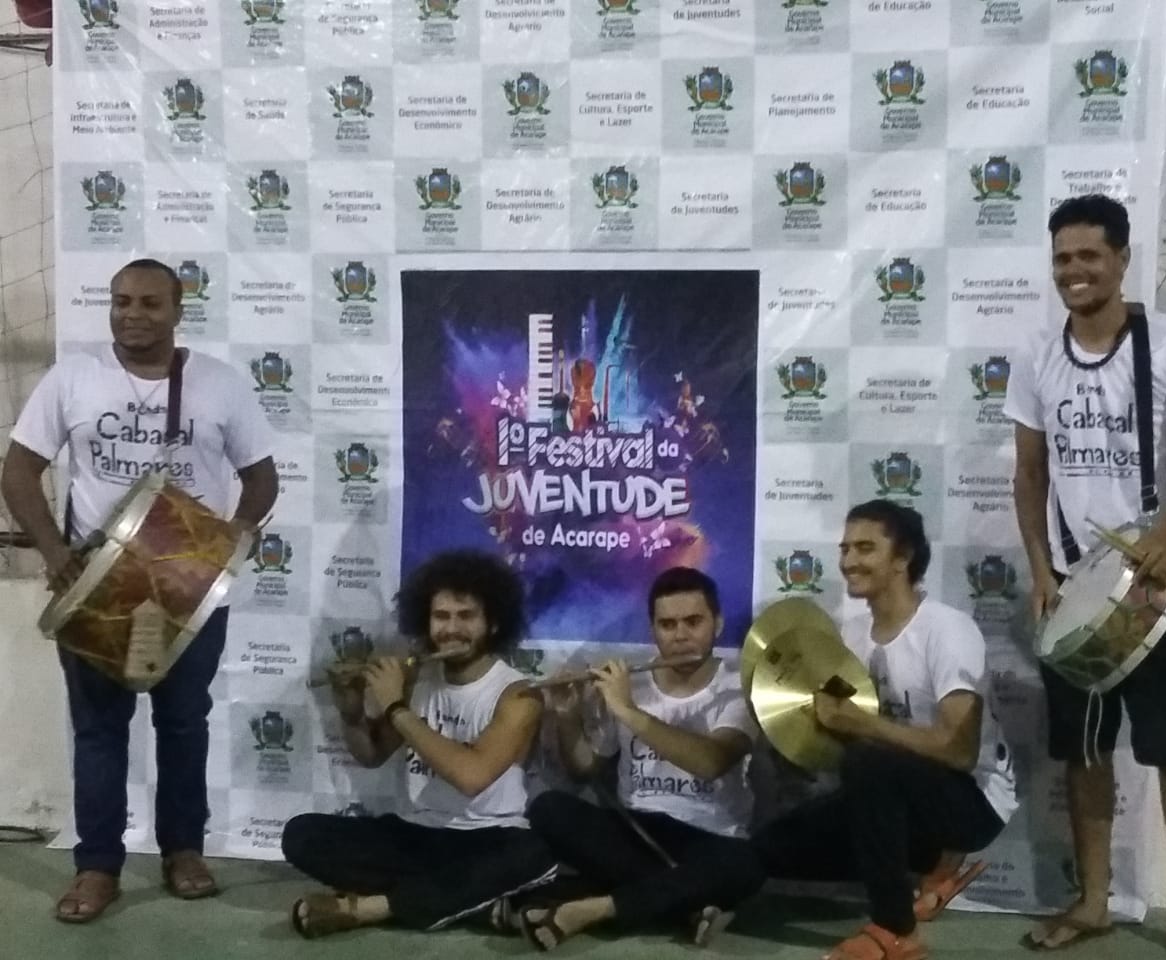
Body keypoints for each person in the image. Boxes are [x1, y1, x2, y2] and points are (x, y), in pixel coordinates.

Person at [1, 258, 278, 922]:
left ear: (179, 310)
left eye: (150, 303)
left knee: (183, 724)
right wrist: (56, 553)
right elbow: (17, 471)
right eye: (121, 301)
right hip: (100, 589)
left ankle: (183, 852)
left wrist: (227, 543)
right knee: (99, 730)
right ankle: (97, 866)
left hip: (189, 592)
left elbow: (262, 479)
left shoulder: (220, 384)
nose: (132, 314)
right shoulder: (73, 378)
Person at [1006, 194, 1166, 960]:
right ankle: (1095, 900)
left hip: (1162, 589)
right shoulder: (1037, 354)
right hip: (1075, 589)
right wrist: (1042, 570)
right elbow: (1028, 473)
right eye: (1062, 258)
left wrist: (1165, 541)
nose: (1074, 271)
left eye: (1089, 256)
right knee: (1085, 753)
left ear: (1122, 259)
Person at [752, 500, 1018, 960]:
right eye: (845, 548)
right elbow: (838, 733)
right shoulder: (851, 636)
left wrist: (862, 724)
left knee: (870, 760)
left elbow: (959, 751)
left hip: (973, 802)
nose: (848, 561)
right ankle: (930, 869)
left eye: (865, 548)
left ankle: (896, 930)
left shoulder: (947, 630)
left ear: (903, 558)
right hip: (893, 796)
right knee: (771, 846)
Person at [280, 550, 557, 938]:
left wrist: (395, 707)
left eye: (466, 616)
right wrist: (351, 713)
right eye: (441, 617)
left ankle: (374, 908)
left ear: (493, 623)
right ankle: (472, 905)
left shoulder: (518, 695)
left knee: (534, 856)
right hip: (418, 833)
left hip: (490, 837)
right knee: (302, 834)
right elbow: (371, 755)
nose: (451, 629)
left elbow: (472, 776)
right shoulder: (420, 681)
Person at [519, 566, 764, 950]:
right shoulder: (629, 684)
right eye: (667, 625)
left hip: (710, 836)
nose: (680, 635)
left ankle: (594, 908)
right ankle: (688, 905)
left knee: (747, 865)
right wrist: (567, 717)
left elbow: (712, 762)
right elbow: (584, 769)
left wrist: (629, 711)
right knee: (548, 809)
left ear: (717, 624)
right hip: (636, 829)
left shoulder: (738, 689)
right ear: (653, 629)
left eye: (693, 622)